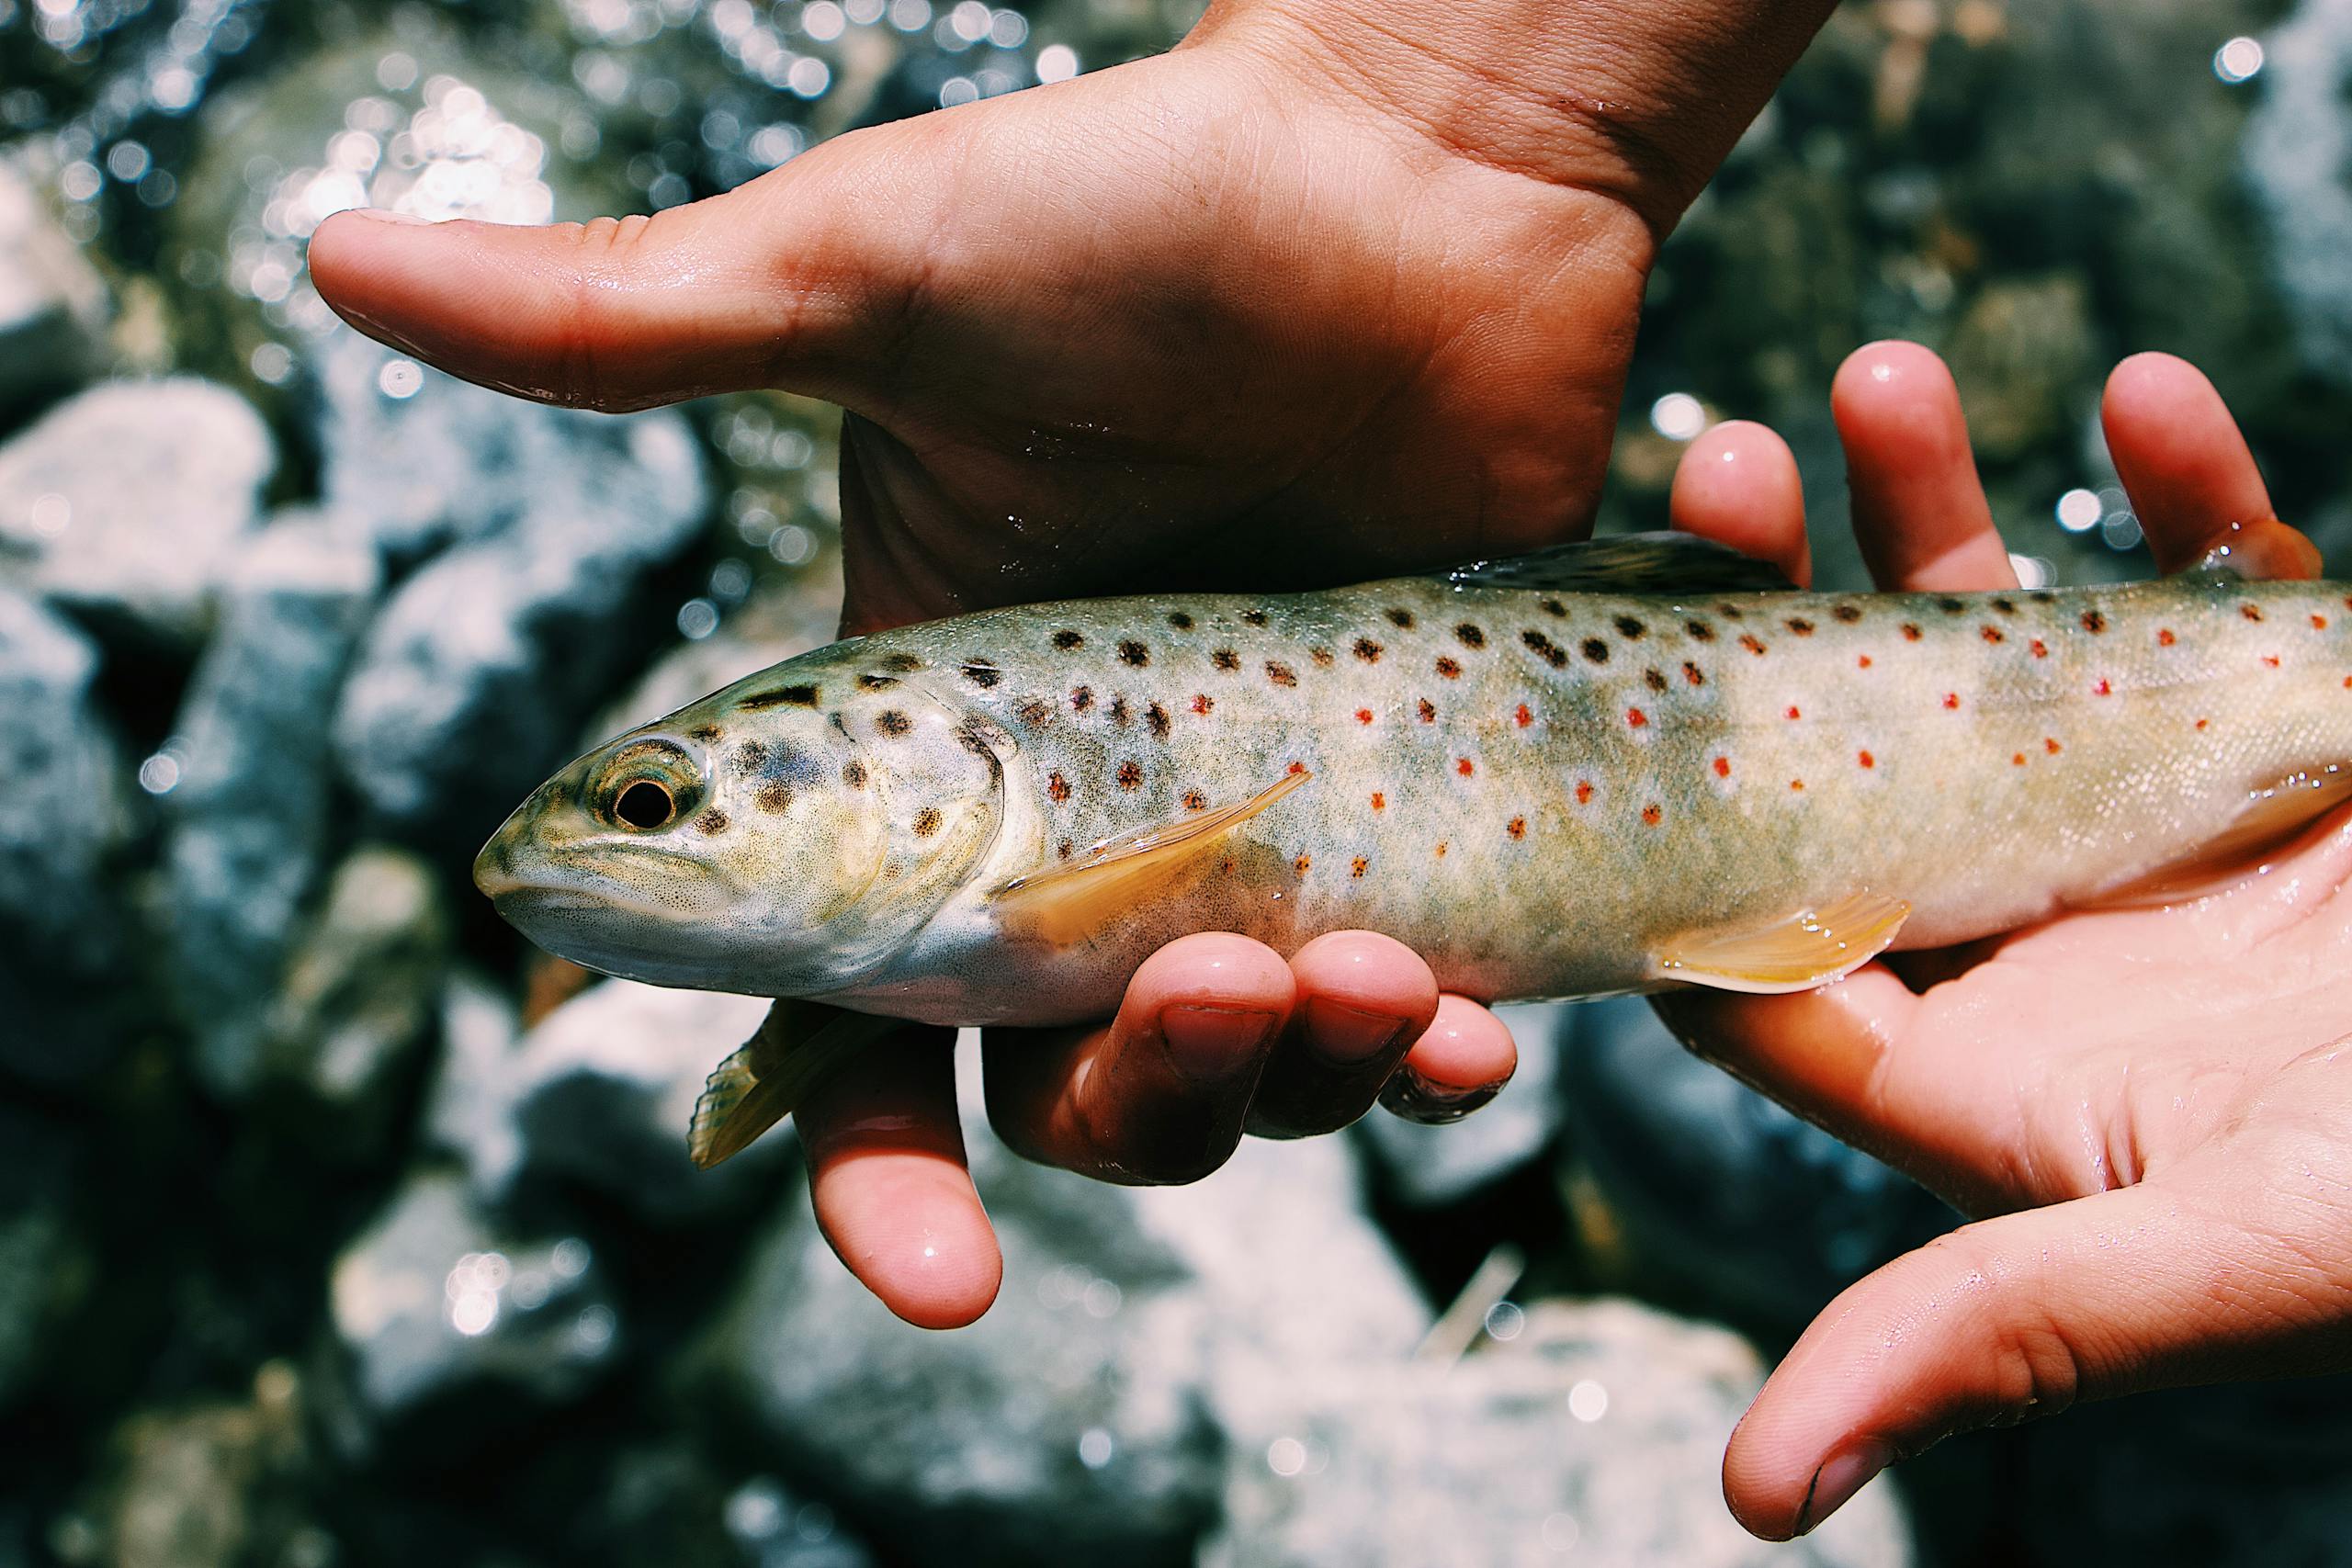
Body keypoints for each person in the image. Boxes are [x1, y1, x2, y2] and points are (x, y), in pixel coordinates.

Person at [307, 0, 2352, 1540]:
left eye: (657, 807)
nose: (591, 850)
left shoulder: (966, 883)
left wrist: (1436, 100)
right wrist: (1446, 108)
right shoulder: (902, 911)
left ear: (929, 777)